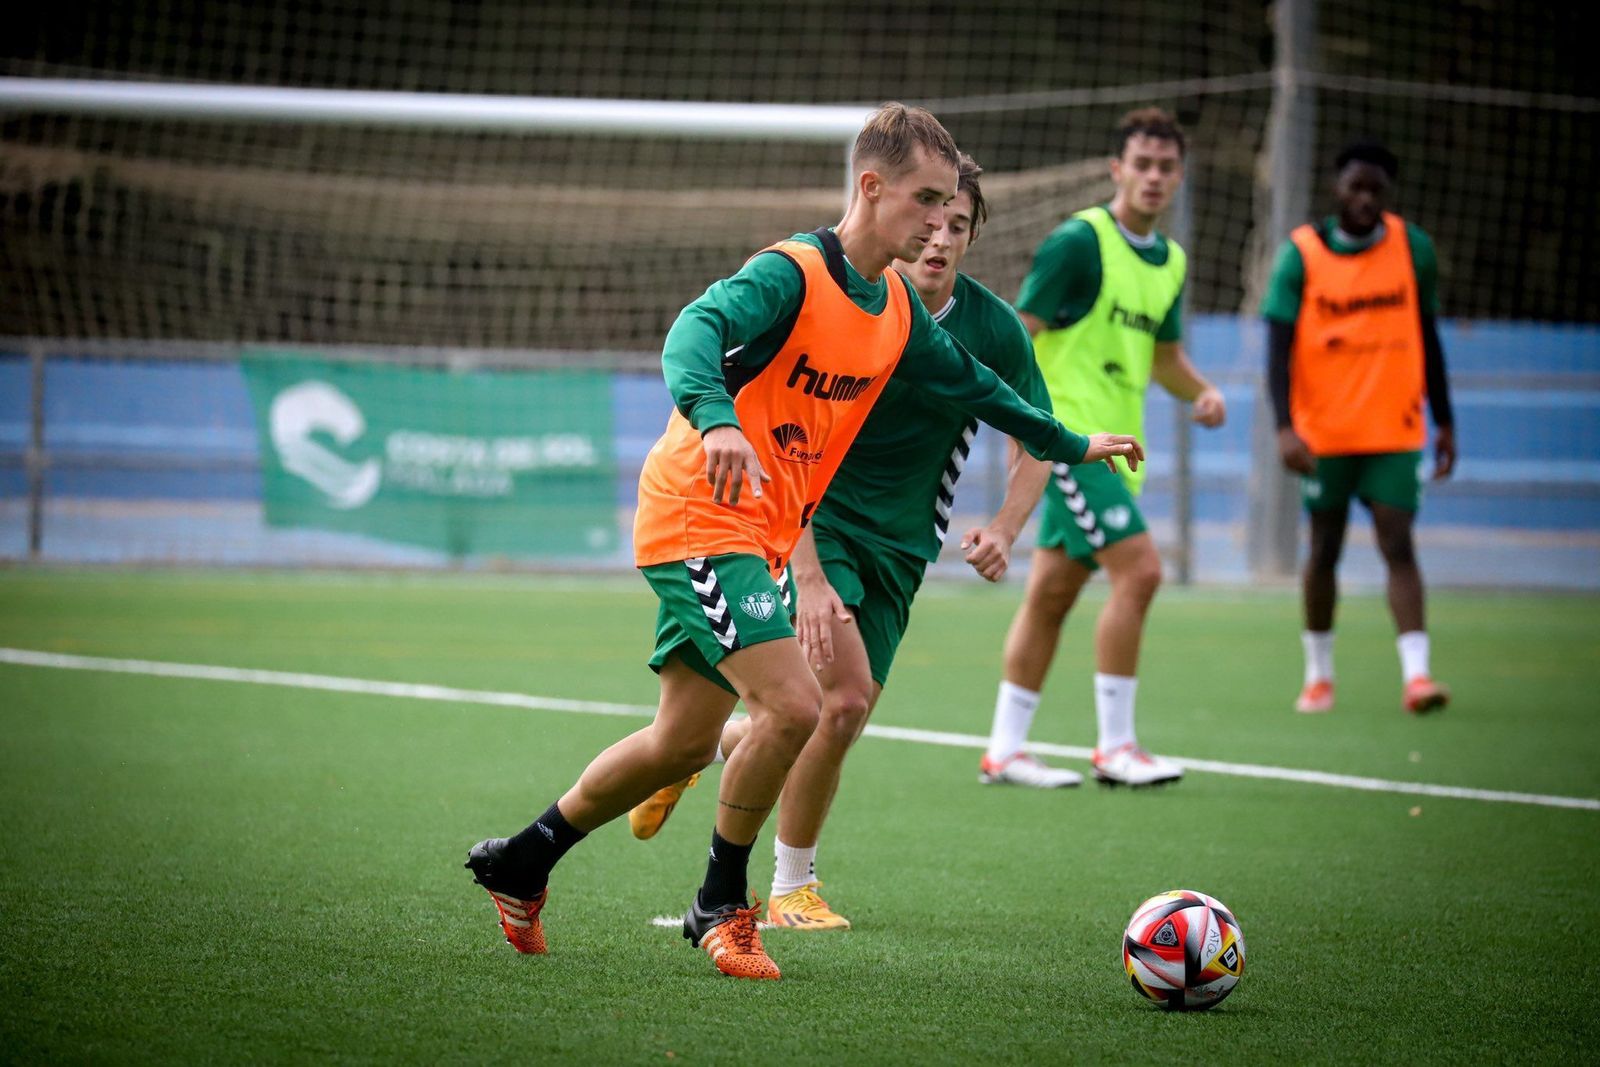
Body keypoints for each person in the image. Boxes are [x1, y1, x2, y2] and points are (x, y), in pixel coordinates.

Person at [464, 103, 1142, 981]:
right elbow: (691, 333)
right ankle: (722, 903)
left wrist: (1066, 442)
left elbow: (976, 382)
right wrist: (715, 421)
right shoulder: (793, 271)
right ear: (871, 187)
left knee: (679, 741)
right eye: (926, 200)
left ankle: (522, 862)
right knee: (796, 706)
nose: (943, 223)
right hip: (701, 513)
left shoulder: (896, 304)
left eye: (952, 208)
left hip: (758, 531)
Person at [629, 154, 1070, 931]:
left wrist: (1006, 526)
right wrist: (809, 569)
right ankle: (789, 884)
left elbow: (1025, 424)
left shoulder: (989, 327)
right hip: (817, 525)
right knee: (841, 701)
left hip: (902, 548)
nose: (937, 236)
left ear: (970, 237)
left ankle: (701, 748)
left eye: (956, 224)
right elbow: (791, 433)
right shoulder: (853, 295)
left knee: (839, 711)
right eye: (928, 215)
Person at [982, 107, 1226, 789]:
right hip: (1069, 442)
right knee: (1142, 571)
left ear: (1179, 177)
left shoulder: (1170, 261)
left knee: (1051, 596)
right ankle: (1116, 747)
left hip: (1120, 452)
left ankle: (1004, 749)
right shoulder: (1078, 243)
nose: (1153, 177)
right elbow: (1015, 336)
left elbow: (1166, 358)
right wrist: (1020, 432)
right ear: (1116, 169)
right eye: (1141, 164)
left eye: (1166, 167)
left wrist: (1202, 392)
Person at [1263, 139, 1456, 715]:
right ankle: (1319, 676)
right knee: (1324, 550)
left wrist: (1446, 420)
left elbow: (1430, 337)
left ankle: (1418, 677)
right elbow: (1277, 349)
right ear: (1336, 188)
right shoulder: (1301, 255)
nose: (1366, 199)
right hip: (1325, 434)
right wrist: (1284, 427)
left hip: (1394, 430)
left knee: (1398, 542)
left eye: (1377, 189)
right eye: (1356, 187)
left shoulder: (1412, 247)